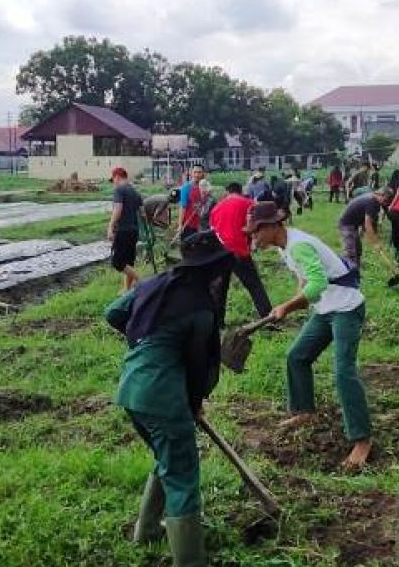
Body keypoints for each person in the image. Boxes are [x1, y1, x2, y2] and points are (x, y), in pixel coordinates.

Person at [104, 231, 232, 567]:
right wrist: (195, 401)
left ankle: (146, 532)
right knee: (183, 476)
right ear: (211, 269)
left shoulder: (152, 285)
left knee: (167, 459)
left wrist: (146, 342)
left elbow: (114, 313)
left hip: (132, 387)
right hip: (163, 396)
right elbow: (198, 365)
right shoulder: (201, 308)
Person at [246, 202, 373, 471]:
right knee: (297, 356)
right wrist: (296, 298)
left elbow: (318, 284)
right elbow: (306, 279)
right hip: (326, 308)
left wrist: (288, 307)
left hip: (346, 308)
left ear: (272, 226)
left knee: (343, 371)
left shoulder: (298, 244)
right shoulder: (285, 246)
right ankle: (304, 412)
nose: (253, 237)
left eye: (256, 232)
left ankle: (362, 440)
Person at [208, 182, 271, 318]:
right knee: (254, 285)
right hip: (238, 251)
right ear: (241, 191)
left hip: (220, 252)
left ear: (227, 192)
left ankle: (218, 322)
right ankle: (267, 317)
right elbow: (257, 225)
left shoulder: (216, 208)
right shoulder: (248, 203)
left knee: (220, 288)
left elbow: (212, 231)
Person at [337, 187, 393, 269]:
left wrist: (374, 238)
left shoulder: (373, 199)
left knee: (358, 251)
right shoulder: (372, 202)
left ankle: (356, 271)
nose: (386, 203)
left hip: (354, 225)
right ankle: (345, 273)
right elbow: (368, 224)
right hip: (346, 225)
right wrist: (375, 243)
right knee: (350, 253)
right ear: (381, 195)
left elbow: (371, 223)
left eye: (388, 202)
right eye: (385, 200)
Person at [108, 167, 145, 291]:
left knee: (118, 262)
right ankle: (126, 289)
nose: (114, 182)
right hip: (134, 231)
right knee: (129, 262)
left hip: (123, 230)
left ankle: (141, 282)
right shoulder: (135, 192)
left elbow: (117, 209)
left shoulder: (119, 190)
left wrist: (110, 226)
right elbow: (143, 213)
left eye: (113, 179)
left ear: (117, 177)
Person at [178, 166, 207, 239]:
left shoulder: (206, 188)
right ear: (191, 173)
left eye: (199, 172)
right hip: (189, 224)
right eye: (195, 172)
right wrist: (180, 225)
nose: (197, 175)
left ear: (203, 174)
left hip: (203, 225)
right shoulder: (186, 187)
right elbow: (183, 207)